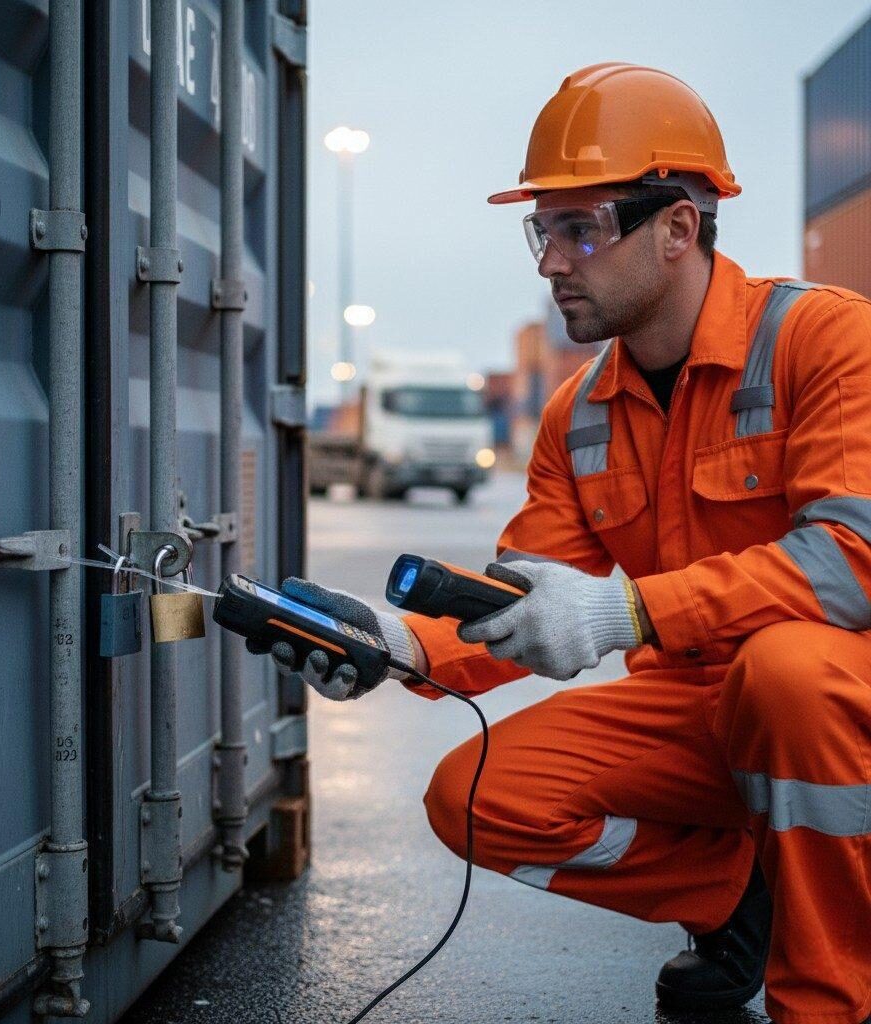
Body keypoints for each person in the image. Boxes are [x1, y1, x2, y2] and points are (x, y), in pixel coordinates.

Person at [252, 64, 871, 1024]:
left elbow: (848, 563)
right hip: (703, 715)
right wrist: (402, 644)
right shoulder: (577, 416)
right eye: (544, 230)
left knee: (786, 674)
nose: (551, 262)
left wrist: (628, 611)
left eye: (583, 229)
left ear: (679, 229)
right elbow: (526, 593)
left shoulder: (825, 341)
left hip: (833, 704)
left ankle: (832, 995)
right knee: (473, 796)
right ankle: (736, 894)